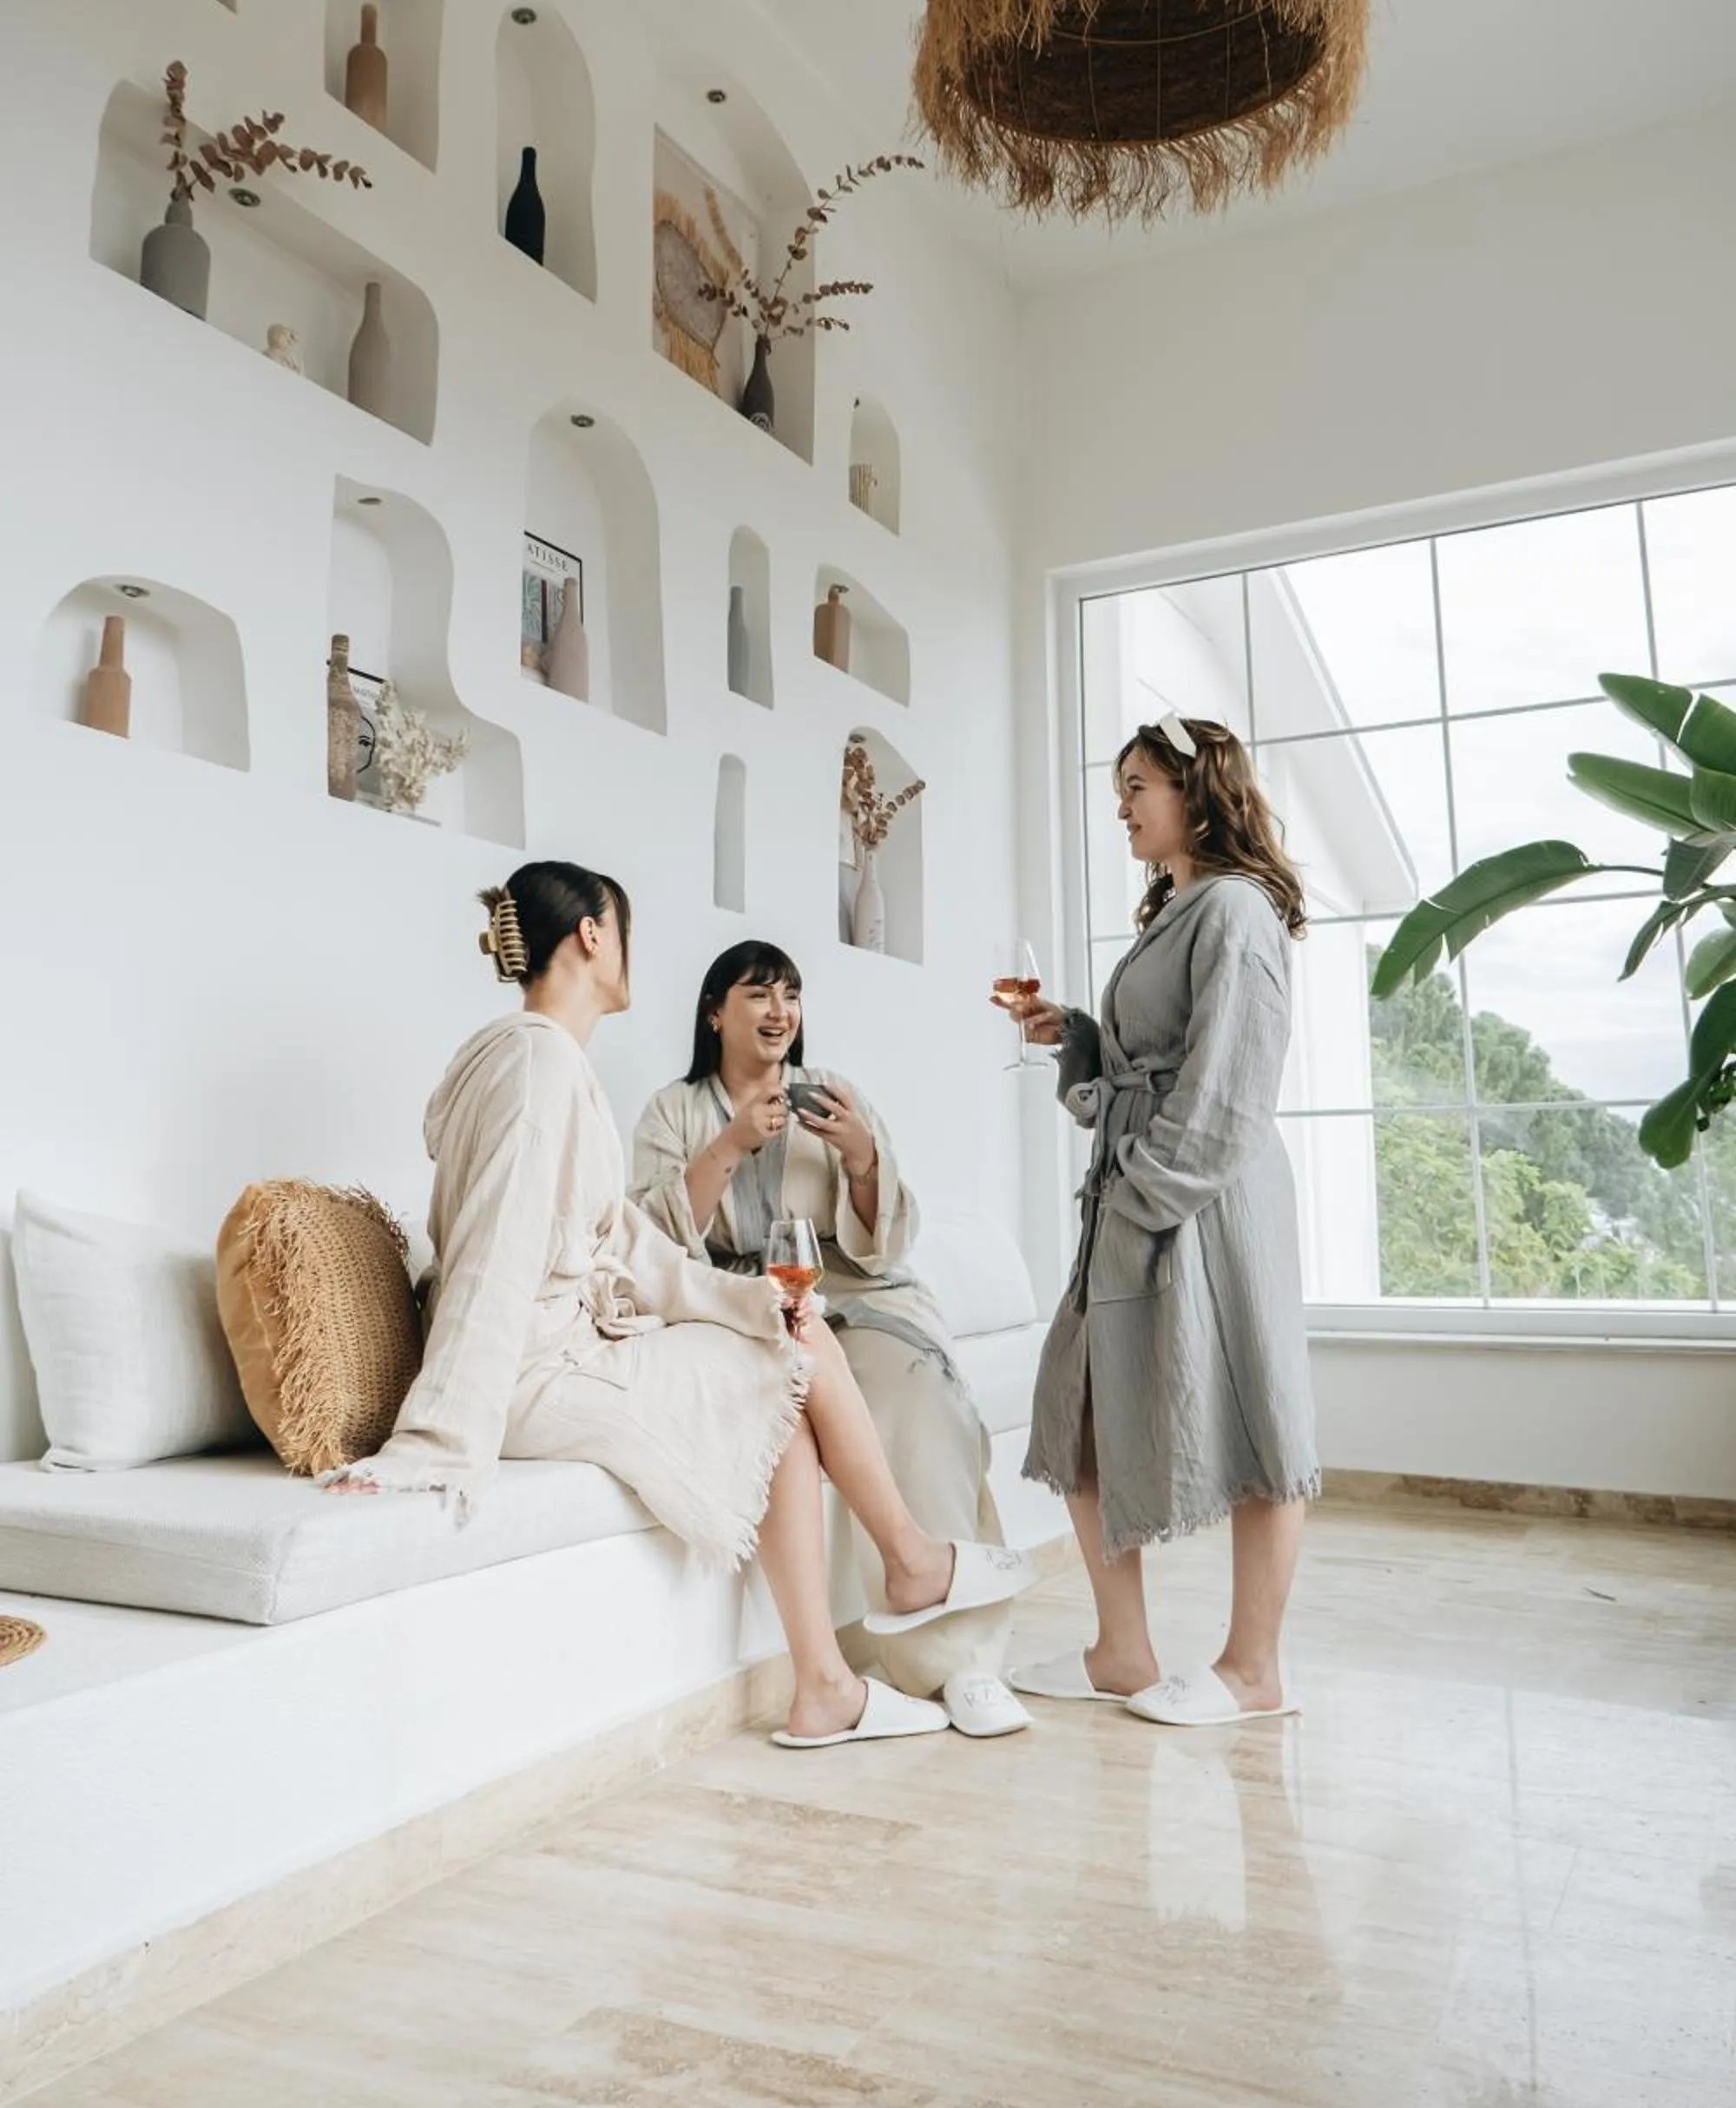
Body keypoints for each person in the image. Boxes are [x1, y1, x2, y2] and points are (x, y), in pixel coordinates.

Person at [325, 862, 1036, 1750]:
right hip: (533, 1370)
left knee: (785, 1353)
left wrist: (748, 1302)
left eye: (791, 995)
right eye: (621, 931)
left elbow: (627, 1242)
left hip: (562, 1345)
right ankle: (905, 1570)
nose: (628, 953)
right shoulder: (543, 1064)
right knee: (791, 1361)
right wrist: (435, 1436)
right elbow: (496, 1251)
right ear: (591, 934)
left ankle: (828, 1681)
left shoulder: (549, 1063)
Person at [1001, 716, 1318, 1727]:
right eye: (1118, 790)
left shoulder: (1235, 912)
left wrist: (1144, 1192)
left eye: (1138, 785)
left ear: (1197, 788)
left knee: (1256, 1413)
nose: (1123, 806)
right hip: (1139, 1186)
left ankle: (1252, 1671)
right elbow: (1157, 1062)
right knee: (1081, 1401)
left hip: (1203, 1201)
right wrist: (1080, 1038)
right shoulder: (1174, 910)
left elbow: (1230, 1085)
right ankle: (1120, 1652)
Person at [633, 942, 1032, 1738]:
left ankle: (961, 1664)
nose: (780, 1010)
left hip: (851, 1287)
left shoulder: (835, 1098)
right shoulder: (672, 1111)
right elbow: (653, 1242)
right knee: (788, 1407)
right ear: (716, 1012)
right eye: (758, 994)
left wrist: (861, 1157)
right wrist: (730, 1145)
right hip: (741, 1301)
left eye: (791, 994)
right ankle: (849, 1665)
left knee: (919, 1395)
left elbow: (887, 1241)